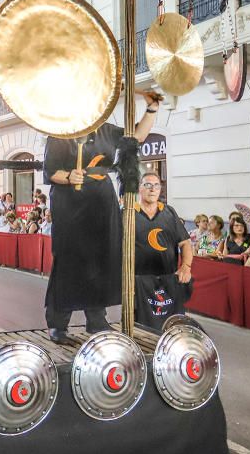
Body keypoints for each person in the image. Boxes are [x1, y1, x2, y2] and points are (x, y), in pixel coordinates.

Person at [44, 91, 162, 344]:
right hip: (70, 202)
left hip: (101, 199)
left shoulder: (107, 130)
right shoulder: (59, 134)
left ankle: (96, 319)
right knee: (69, 260)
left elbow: (137, 137)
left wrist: (151, 110)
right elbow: (50, 170)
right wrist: (67, 177)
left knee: (100, 258)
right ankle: (58, 323)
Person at [134, 171, 193, 331]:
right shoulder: (128, 213)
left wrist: (186, 266)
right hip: (139, 284)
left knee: (170, 328)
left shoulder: (169, 212)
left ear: (160, 190)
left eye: (156, 185)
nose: (152, 189)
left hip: (168, 282)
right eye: (147, 185)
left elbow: (186, 244)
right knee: (141, 329)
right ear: (139, 188)